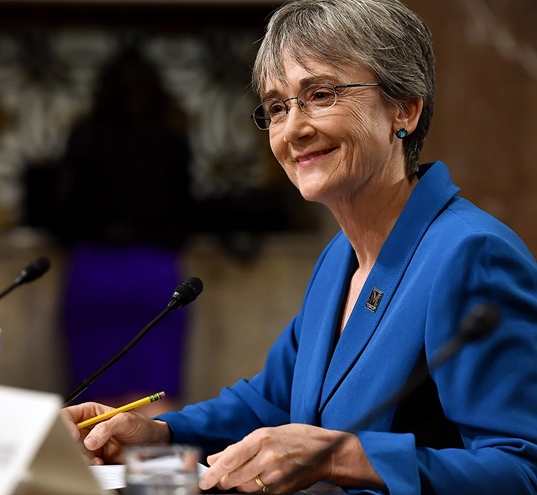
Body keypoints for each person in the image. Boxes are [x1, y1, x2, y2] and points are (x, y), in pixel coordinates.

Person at [60, 1, 537, 493]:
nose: (293, 129)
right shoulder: (340, 256)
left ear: (405, 109)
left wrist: (346, 456)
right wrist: (160, 433)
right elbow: (271, 400)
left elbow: (523, 471)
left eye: (321, 94)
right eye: (276, 108)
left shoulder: (471, 255)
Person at [52, 45, 194, 415]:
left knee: (93, 403)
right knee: (155, 399)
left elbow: (62, 212)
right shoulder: (171, 139)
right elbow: (187, 210)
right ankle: (154, 471)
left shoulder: (85, 136)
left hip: (93, 271)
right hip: (154, 271)